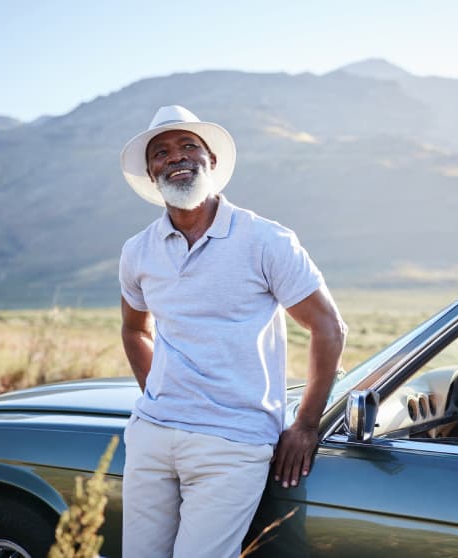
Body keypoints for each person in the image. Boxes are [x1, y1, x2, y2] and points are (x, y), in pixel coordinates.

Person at [118, 105, 346, 558]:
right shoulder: (137, 251)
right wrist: (158, 393)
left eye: (189, 146)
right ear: (151, 172)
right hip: (152, 435)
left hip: (233, 441)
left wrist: (305, 424)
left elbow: (328, 327)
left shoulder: (266, 240)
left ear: (212, 162)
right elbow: (133, 330)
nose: (176, 156)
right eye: (161, 151)